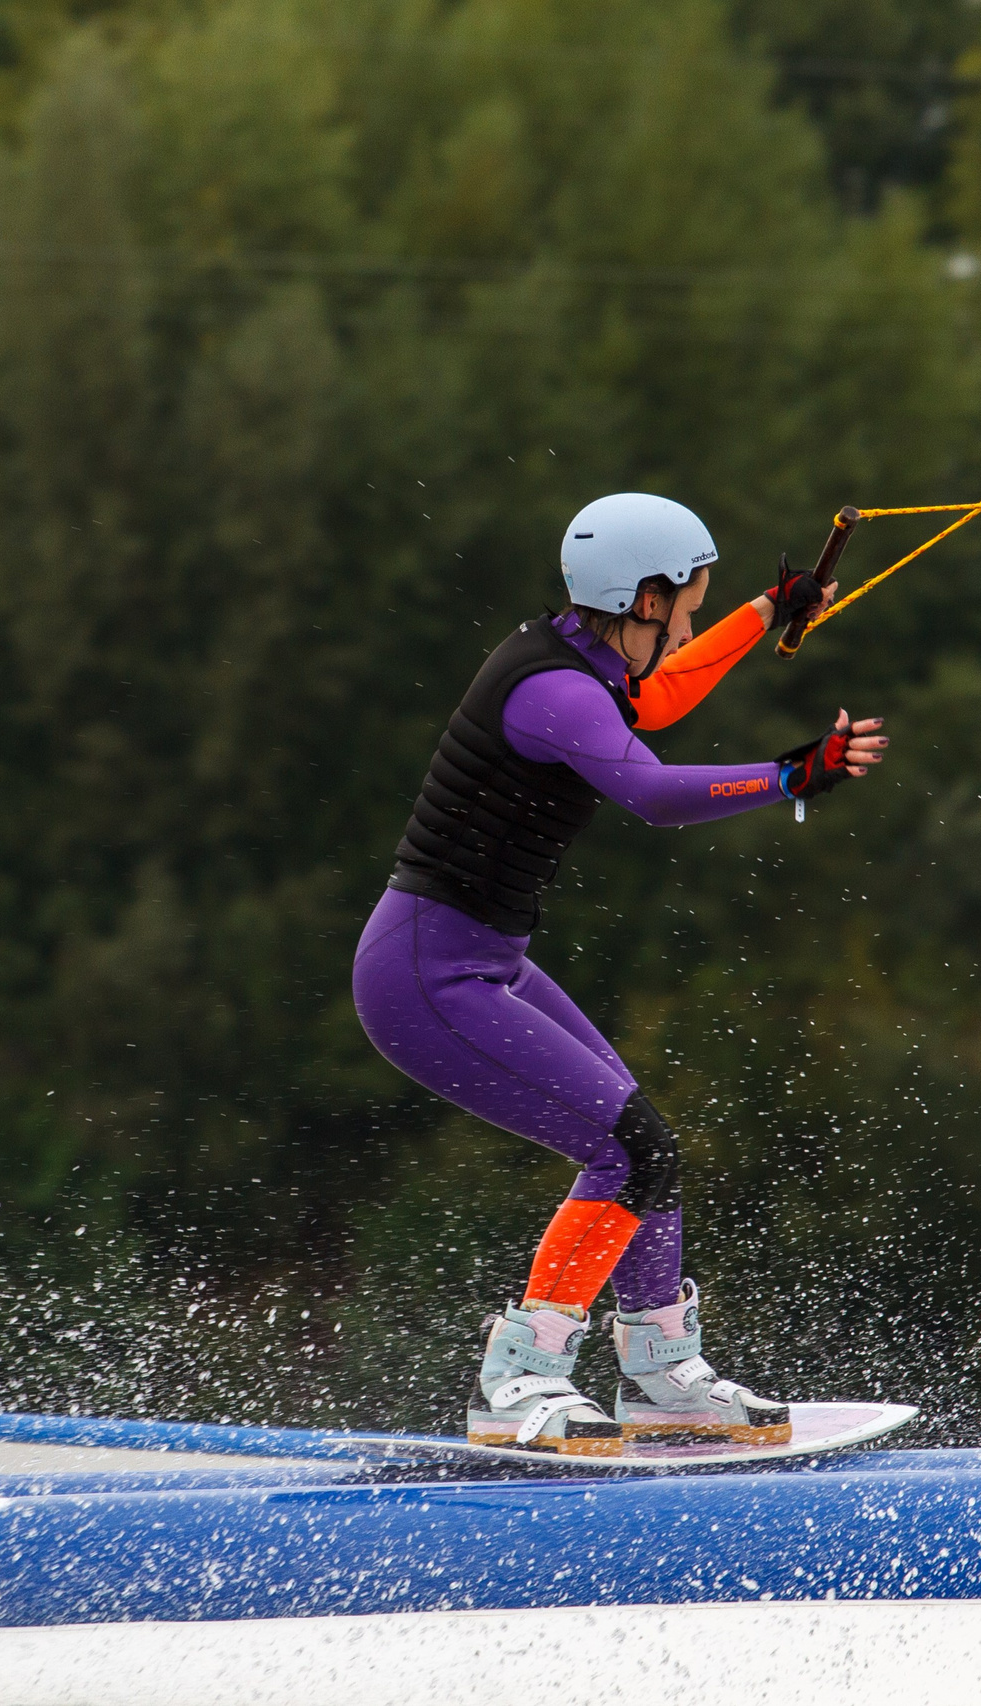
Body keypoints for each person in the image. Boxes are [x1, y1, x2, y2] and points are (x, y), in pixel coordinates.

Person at [352, 492, 888, 1455]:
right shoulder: (554, 692)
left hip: (486, 961)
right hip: (429, 977)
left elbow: (667, 690)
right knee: (628, 1150)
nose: (686, 622)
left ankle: (660, 1379)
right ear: (643, 598)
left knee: (650, 1147)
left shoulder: (580, 659)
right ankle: (519, 1378)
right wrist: (788, 776)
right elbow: (647, 791)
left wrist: (769, 610)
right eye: (684, 604)